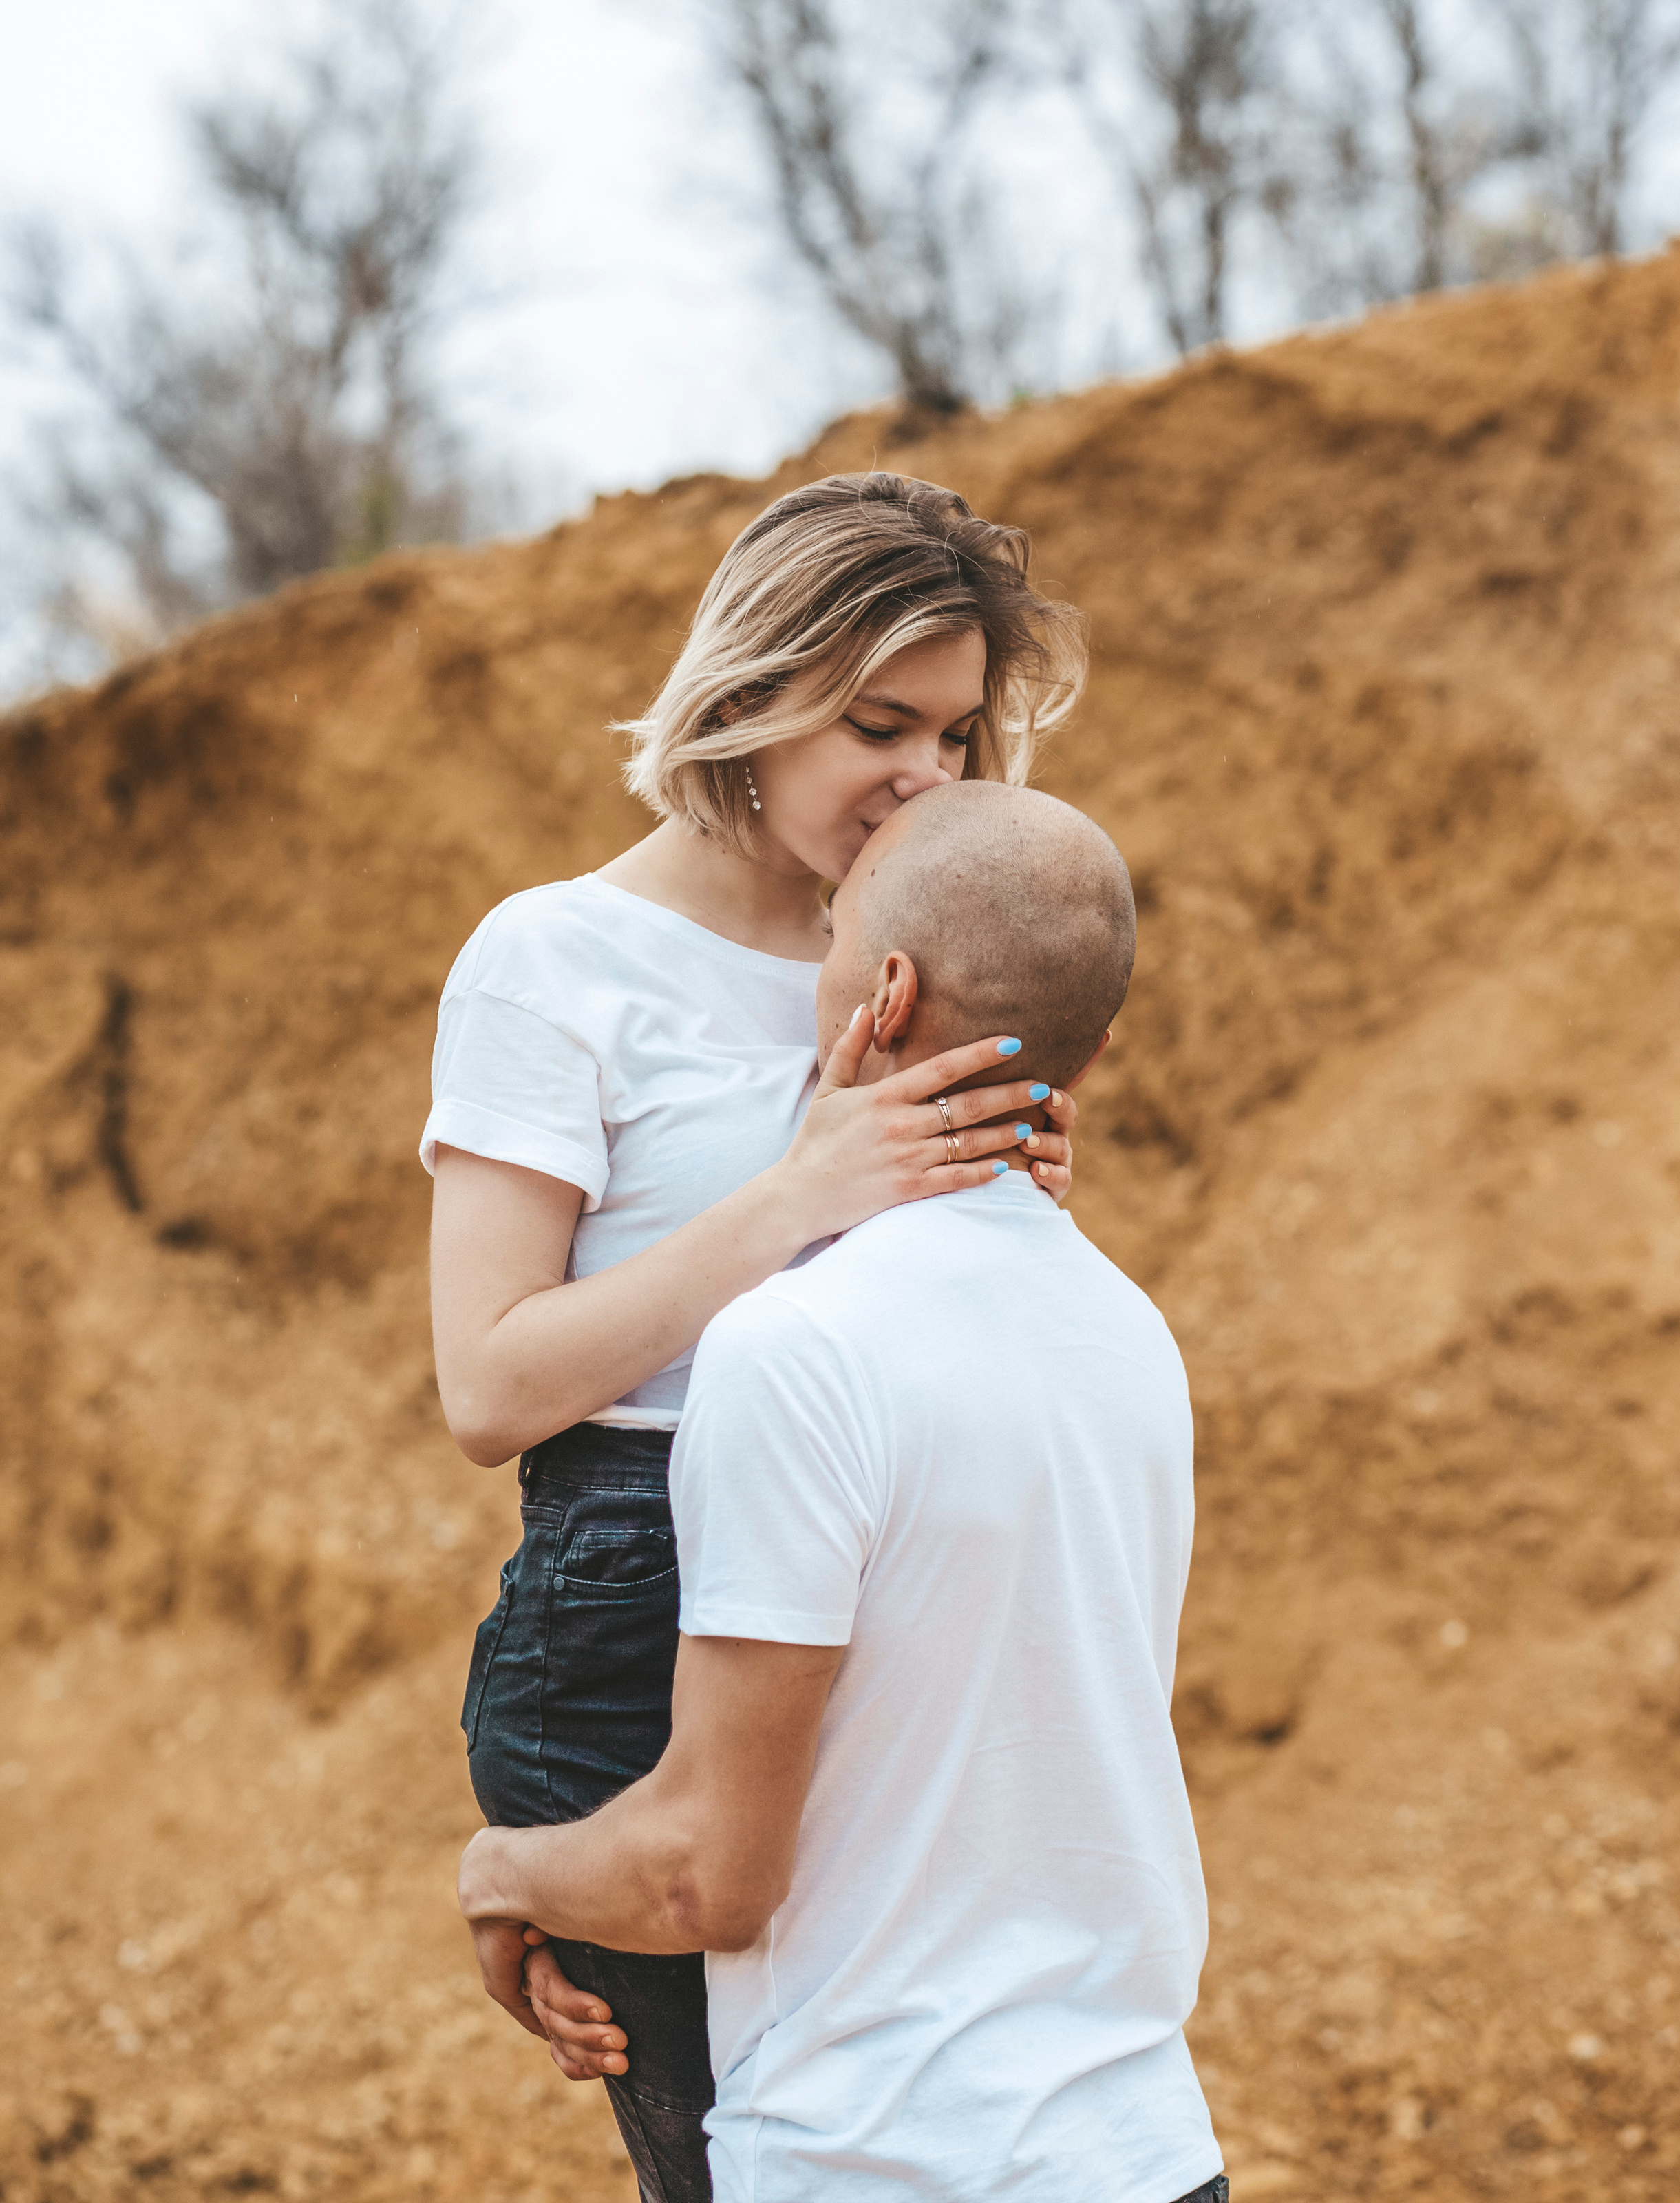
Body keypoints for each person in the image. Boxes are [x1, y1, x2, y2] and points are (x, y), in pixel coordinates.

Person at [423, 474, 1096, 2200]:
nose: (924, 776)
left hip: (890, 1592)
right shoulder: (552, 958)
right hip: (631, 1616)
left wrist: (1008, 1205)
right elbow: (487, 1383)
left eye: (953, 734)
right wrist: (798, 1192)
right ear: (752, 686)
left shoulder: (902, 942)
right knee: (750, 2165)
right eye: (879, 724)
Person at [458, 780, 1228, 2203]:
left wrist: (500, 1875)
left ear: (883, 996)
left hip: (878, 2162)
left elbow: (707, 1877)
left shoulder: (792, 1351)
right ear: (1098, 1049)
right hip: (1147, 2154)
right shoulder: (1134, 1338)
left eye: (829, 943)